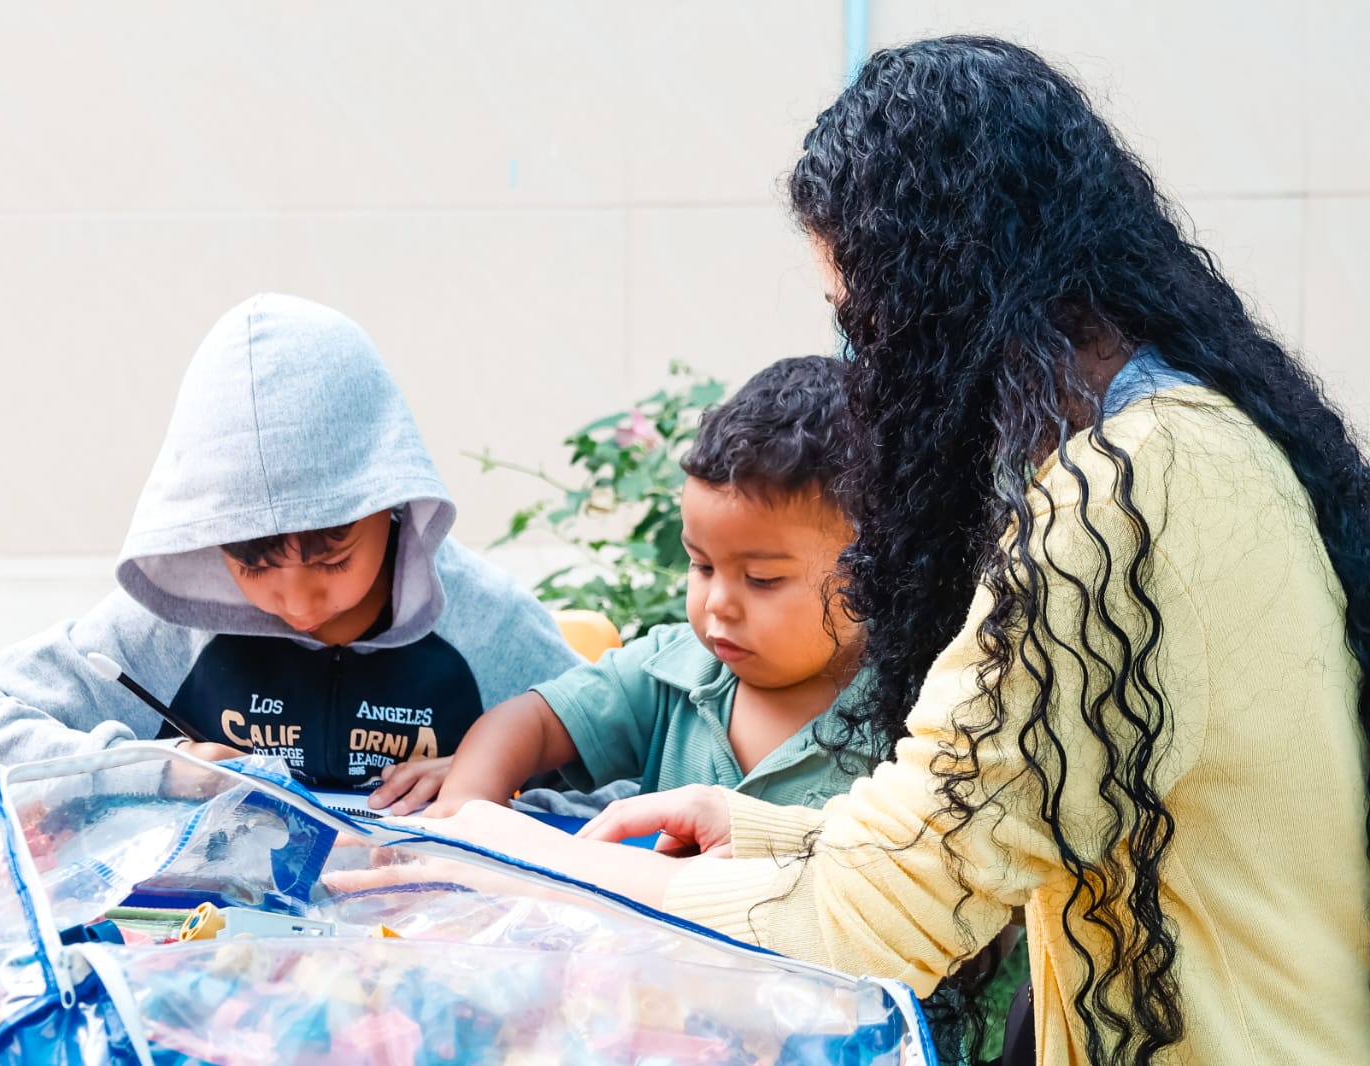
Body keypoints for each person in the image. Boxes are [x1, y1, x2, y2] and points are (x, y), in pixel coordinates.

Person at [360, 37, 1370, 1065]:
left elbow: (868, 919)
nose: (873, 366)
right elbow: (987, 825)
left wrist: (512, 854)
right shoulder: (1198, 443)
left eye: (867, 323)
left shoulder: (1121, 501)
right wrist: (753, 828)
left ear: (944, 301)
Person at [0, 294, 580, 794]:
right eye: (252, 564)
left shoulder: (488, 626)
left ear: (393, 500)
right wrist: (153, 769)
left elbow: (631, 783)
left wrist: (494, 783)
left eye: (332, 557)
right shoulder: (171, 627)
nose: (297, 599)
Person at [398, 356, 882, 820]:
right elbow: (529, 722)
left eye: (761, 580)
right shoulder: (669, 670)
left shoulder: (910, 715)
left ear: (867, 567)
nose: (717, 604)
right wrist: (469, 804)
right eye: (702, 565)